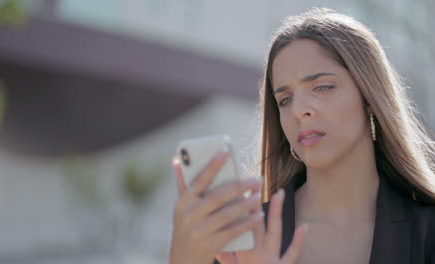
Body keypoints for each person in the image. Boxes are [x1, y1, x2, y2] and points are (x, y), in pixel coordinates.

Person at [169, 8, 435, 264]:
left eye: (322, 87)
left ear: (369, 97)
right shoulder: (242, 240)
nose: (298, 110)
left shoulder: (427, 230)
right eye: (285, 100)